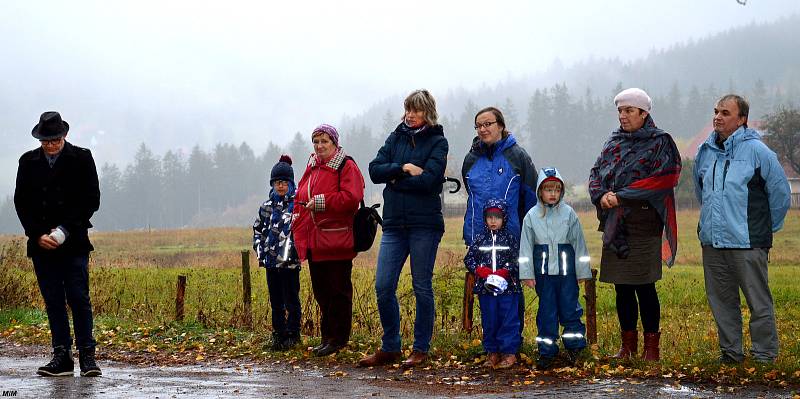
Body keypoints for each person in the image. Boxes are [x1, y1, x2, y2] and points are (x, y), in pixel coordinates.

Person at [693, 94, 790, 364]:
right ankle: (731, 354)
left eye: (725, 112)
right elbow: (703, 192)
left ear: (742, 119)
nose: (718, 117)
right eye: (716, 111)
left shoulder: (759, 152)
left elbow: (780, 194)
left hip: (748, 243)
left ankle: (764, 357)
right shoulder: (705, 151)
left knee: (758, 303)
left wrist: (764, 229)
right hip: (712, 243)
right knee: (722, 304)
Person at [588, 88, 681, 361]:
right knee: (622, 286)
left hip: (643, 223)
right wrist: (601, 195)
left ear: (644, 113)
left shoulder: (660, 142)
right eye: (620, 110)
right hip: (616, 225)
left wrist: (621, 196)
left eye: (629, 110)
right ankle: (627, 347)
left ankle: (652, 349)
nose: (623, 116)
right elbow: (596, 172)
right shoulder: (613, 141)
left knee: (644, 285)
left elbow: (665, 178)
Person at [360, 89, 448, 369]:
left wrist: (395, 179)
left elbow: (430, 182)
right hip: (395, 226)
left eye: (417, 110)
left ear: (428, 113)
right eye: (408, 109)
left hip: (425, 225)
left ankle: (421, 349)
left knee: (421, 287)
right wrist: (403, 168)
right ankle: (391, 347)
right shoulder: (395, 136)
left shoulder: (438, 141)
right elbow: (375, 170)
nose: (410, 115)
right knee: (383, 286)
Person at [14, 111, 101, 377]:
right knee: (53, 300)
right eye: (46, 141)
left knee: (78, 298)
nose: (50, 145)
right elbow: (22, 202)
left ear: (64, 136)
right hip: (41, 244)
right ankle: (61, 356)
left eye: (55, 140)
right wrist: (37, 233)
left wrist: (64, 231)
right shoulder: (27, 162)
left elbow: (91, 200)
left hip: (73, 241)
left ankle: (87, 356)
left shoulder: (82, 158)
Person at [462, 107, 537, 336]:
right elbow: (471, 195)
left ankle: (512, 345)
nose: (483, 129)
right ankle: (491, 347)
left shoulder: (518, 156)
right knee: (486, 294)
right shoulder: (471, 158)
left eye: (488, 124)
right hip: (479, 237)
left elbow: (530, 197)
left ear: (501, 125)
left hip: (510, 238)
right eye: (479, 125)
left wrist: (523, 232)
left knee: (510, 293)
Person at [291, 124, 365, 357]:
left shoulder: (346, 166)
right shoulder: (312, 166)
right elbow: (301, 195)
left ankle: (339, 339)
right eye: (316, 141)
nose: (320, 146)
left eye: (324, 141)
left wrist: (321, 202)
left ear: (334, 143)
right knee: (321, 291)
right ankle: (327, 338)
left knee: (338, 292)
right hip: (315, 240)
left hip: (338, 239)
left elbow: (352, 198)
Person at [519, 167, 592, 370]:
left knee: (570, 310)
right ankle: (547, 352)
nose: (553, 194)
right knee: (546, 314)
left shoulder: (569, 214)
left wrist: (582, 271)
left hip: (567, 274)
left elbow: (579, 245)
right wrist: (526, 274)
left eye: (557, 190)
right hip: (544, 277)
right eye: (548, 189)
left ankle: (576, 348)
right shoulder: (531, 217)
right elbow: (525, 249)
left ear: (562, 192)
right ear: (540, 191)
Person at [463, 199, 522, 369]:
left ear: (504, 218)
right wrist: (480, 271)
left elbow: (518, 259)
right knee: (489, 320)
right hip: (486, 289)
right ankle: (492, 352)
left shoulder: (510, 239)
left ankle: (509, 353)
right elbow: (469, 258)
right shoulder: (480, 239)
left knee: (509, 320)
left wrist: (506, 270)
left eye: (497, 217)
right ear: (485, 218)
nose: (493, 221)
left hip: (508, 289)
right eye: (490, 217)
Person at [253, 154, 301, 351]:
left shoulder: (297, 205)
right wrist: (261, 252)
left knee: (292, 299)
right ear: (272, 184)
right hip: (271, 263)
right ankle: (279, 334)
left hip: (290, 262)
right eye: (277, 183)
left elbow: (302, 231)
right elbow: (257, 230)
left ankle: (293, 334)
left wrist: (298, 251)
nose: (281, 186)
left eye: (284, 182)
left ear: (291, 183)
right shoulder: (266, 208)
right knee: (276, 301)